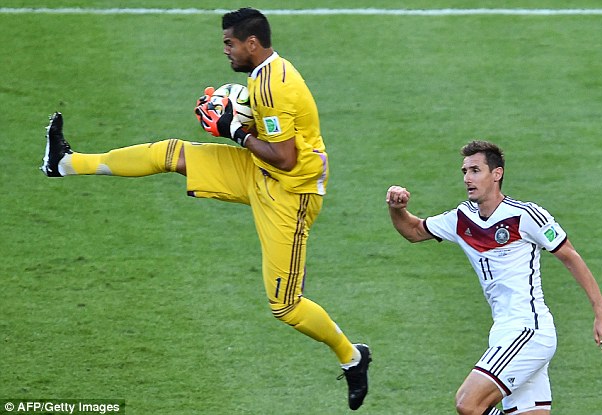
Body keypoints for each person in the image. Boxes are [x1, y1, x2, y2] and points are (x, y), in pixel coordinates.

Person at [40, 7, 370, 410]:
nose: (226, 51)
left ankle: (352, 356)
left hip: (290, 195)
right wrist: (232, 114)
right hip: (260, 171)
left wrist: (231, 128)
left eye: (230, 44)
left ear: (252, 43)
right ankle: (64, 163)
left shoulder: (274, 86)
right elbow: (268, 138)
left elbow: (284, 157)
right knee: (171, 154)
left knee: (285, 305)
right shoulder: (263, 76)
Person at [386, 140, 602, 415]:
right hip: (504, 332)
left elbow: (570, 256)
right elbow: (413, 231)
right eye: (465, 171)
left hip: (528, 331)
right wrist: (397, 208)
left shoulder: (525, 215)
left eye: (475, 170)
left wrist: (600, 311)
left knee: (468, 403)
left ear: (497, 174)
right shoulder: (462, 218)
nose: (468, 178)